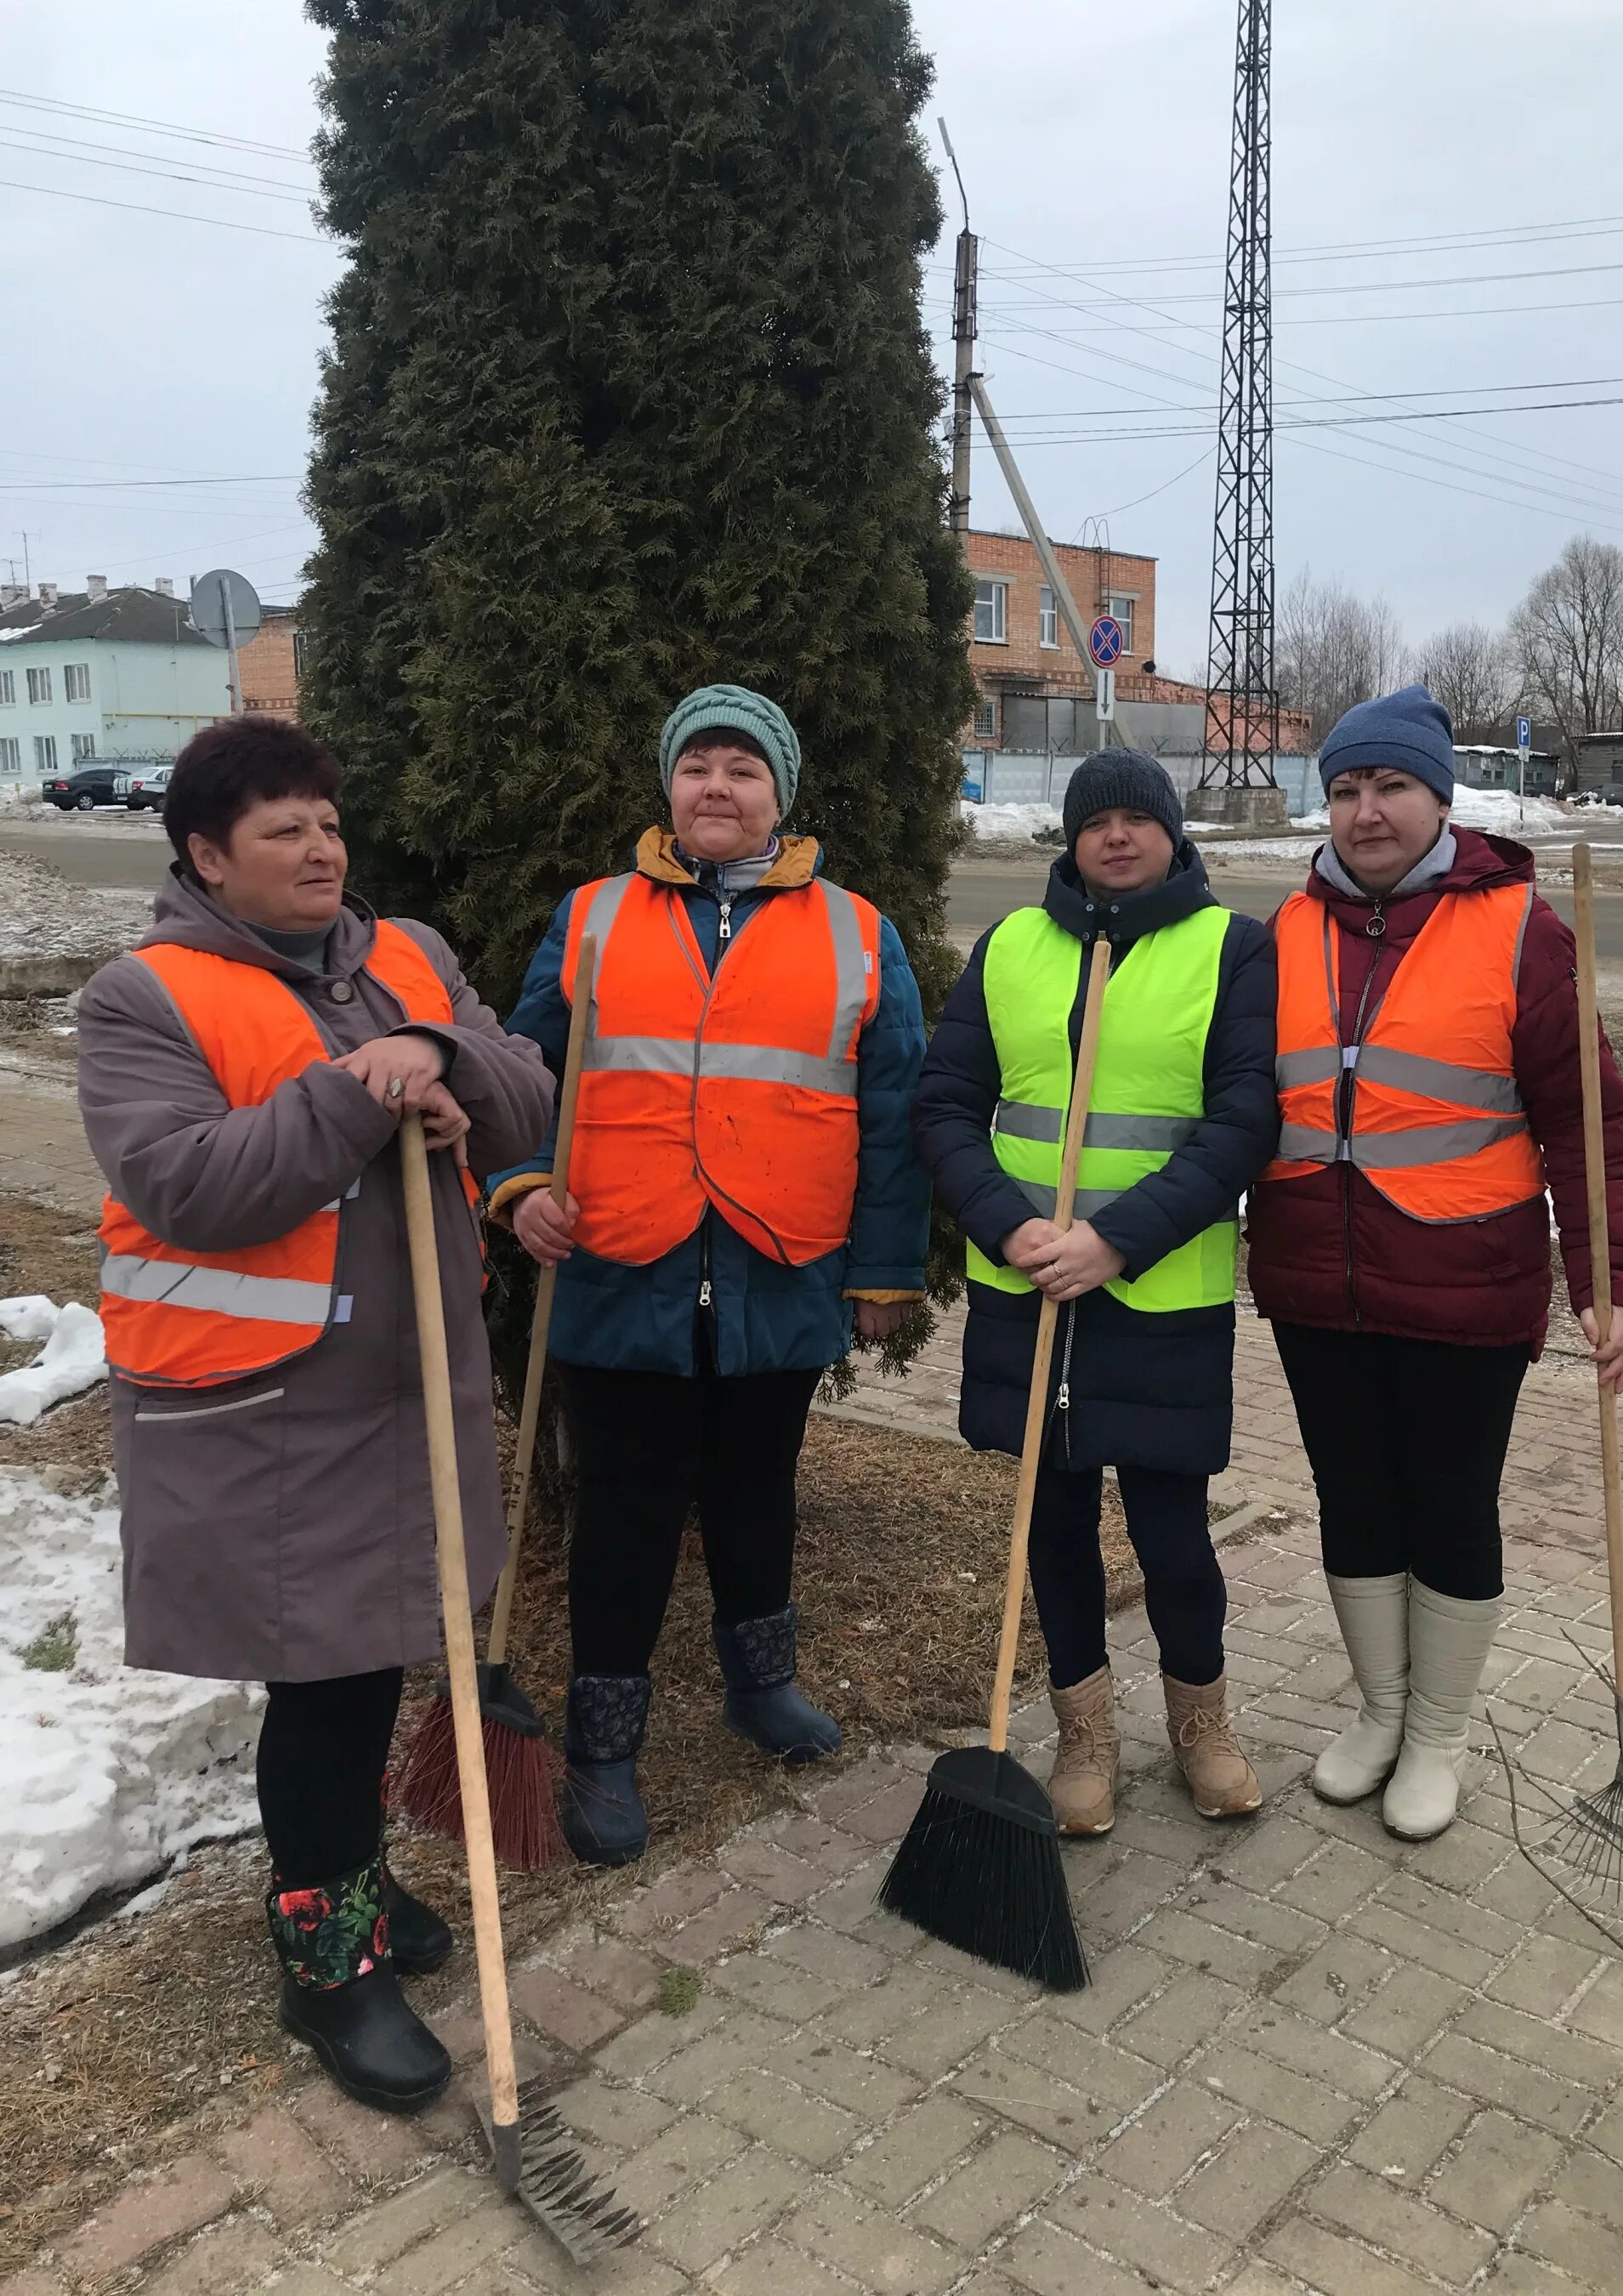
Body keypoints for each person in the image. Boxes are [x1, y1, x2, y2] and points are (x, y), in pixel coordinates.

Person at [76, 718, 554, 2112]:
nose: (321, 848)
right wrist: (365, 1088)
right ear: (206, 857)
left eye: (329, 821)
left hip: (412, 1386)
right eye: (282, 829)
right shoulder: (141, 997)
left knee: (380, 1651)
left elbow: (523, 1089)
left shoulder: (405, 955)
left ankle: (344, 1874)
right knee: (326, 1680)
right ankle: (327, 1962)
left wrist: (439, 1059)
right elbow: (192, 1185)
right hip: (268, 1410)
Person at [491, 684, 930, 1868]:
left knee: (756, 1487)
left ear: (780, 795)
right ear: (669, 788)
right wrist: (524, 1184)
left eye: (742, 768)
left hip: (778, 1263)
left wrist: (884, 1268)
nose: (717, 787)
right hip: (620, 1259)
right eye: (698, 767)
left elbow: (891, 1117)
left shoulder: (857, 931)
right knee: (624, 1509)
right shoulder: (590, 918)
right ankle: (603, 1738)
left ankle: (760, 1682)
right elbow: (521, 1076)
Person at [1247, 685, 1623, 1840]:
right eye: (1346, 789)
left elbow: (1586, 1121)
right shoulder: (1285, 930)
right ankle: (1379, 1709)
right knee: (1353, 1500)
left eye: (1390, 786)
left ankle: (1438, 1732)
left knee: (1450, 1507)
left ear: (1438, 796)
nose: (1366, 812)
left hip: (1466, 1285)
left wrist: (1608, 1282)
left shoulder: (1524, 928)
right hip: (1315, 1284)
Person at [915, 749, 1278, 1836]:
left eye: (1137, 817)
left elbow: (1243, 1122)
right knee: (1053, 1523)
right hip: (1026, 1292)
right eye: (1095, 820)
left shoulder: (1229, 946)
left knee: (1172, 1532)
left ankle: (1200, 1722)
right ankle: (1083, 1732)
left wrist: (1116, 1241)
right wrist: (1011, 1224)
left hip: (1155, 1294)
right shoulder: (1011, 948)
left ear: (1171, 832)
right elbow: (942, 1103)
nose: (1115, 835)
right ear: (1069, 840)